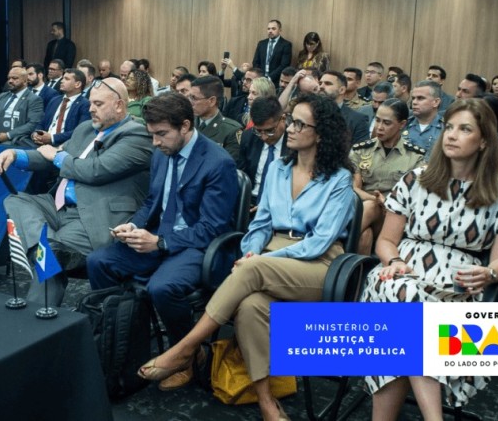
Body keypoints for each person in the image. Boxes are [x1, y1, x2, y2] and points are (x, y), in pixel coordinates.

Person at [136, 94, 355, 419]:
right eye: (290, 120)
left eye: (299, 124)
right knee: (251, 307)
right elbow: (261, 223)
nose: (289, 128)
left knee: (252, 271)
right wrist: (252, 249)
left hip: (318, 264)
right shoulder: (279, 170)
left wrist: (259, 261)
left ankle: (185, 348)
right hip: (268, 257)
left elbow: (319, 242)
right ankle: (267, 401)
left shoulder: (339, 179)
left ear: (320, 133)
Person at [360, 98, 498, 419]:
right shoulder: (415, 180)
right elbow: (386, 241)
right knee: (403, 297)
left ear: (483, 141)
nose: (451, 135)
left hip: (457, 285)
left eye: (464, 129)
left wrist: (490, 273)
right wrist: (394, 262)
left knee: (404, 324)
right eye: (449, 127)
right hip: (402, 271)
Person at [88, 91, 238, 391]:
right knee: (98, 261)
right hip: (159, 236)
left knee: (162, 287)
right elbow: (152, 203)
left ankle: (187, 355)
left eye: (161, 134)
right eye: (152, 134)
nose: (155, 142)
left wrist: (160, 242)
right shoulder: (162, 153)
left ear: (185, 126)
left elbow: (212, 228)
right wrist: (132, 224)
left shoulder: (218, 162)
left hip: (195, 246)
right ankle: (123, 341)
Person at [0, 76, 153, 306]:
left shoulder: (137, 135)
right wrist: (16, 155)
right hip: (58, 207)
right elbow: (49, 157)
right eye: (91, 103)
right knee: (17, 201)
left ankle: (39, 312)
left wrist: (57, 155)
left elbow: (95, 170)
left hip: (91, 216)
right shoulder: (86, 129)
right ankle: (43, 248)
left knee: (49, 261)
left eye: (98, 104)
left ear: (119, 105)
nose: (91, 109)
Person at [349, 99, 425, 254]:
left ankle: (336, 244)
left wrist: (388, 203)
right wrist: (375, 200)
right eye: (377, 120)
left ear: (402, 124)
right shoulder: (361, 150)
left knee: (371, 207)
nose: (379, 127)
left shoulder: (415, 157)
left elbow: (416, 198)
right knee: (365, 236)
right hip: (362, 210)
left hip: (394, 217)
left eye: (387, 123)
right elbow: (353, 188)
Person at [237, 95, 289, 204]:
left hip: (281, 202)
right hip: (251, 200)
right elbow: (241, 175)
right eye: (259, 131)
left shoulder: (295, 142)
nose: (264, 137)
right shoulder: (249, 137)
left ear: (283, 119)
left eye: (270, 131)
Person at [32, 68, 90, 146]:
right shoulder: (54, 100)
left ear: (78, 84)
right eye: (62, 78)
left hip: (64, 146)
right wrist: (36, 133)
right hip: (42, 143)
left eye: (66, 79)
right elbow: (42, 122)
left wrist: (52, 138)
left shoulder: (85, 104)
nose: (62, 81)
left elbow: (80, 131)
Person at [188, 76, 242, 160]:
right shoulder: (186, 124)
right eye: (190, 97)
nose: (190, 102)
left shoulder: (232, 131)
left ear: (212, 101)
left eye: (194, 98)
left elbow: (228, 164)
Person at [318, 70, 370, 144]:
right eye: (320, 83)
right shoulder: (310, 113)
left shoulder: (357, 120)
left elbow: (360, 150)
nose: (321, 87)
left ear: (342, 90)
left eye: (328, 83)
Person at [404, 80, 445, 153]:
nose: (414, 102)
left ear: (436, 102)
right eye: (413, 98)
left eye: (420, 98)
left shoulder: (445, 129)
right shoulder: (404, 124)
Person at [252, 19, 293, 85]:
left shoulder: (286, 45)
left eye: (273, 29)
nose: (270, 31)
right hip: (260, 80)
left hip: (276, 81)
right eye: (268, 29)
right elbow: (255, 62)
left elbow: (284, 65)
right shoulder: (261, 43)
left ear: (280, 30)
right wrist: (260, 76)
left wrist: (270, 78)